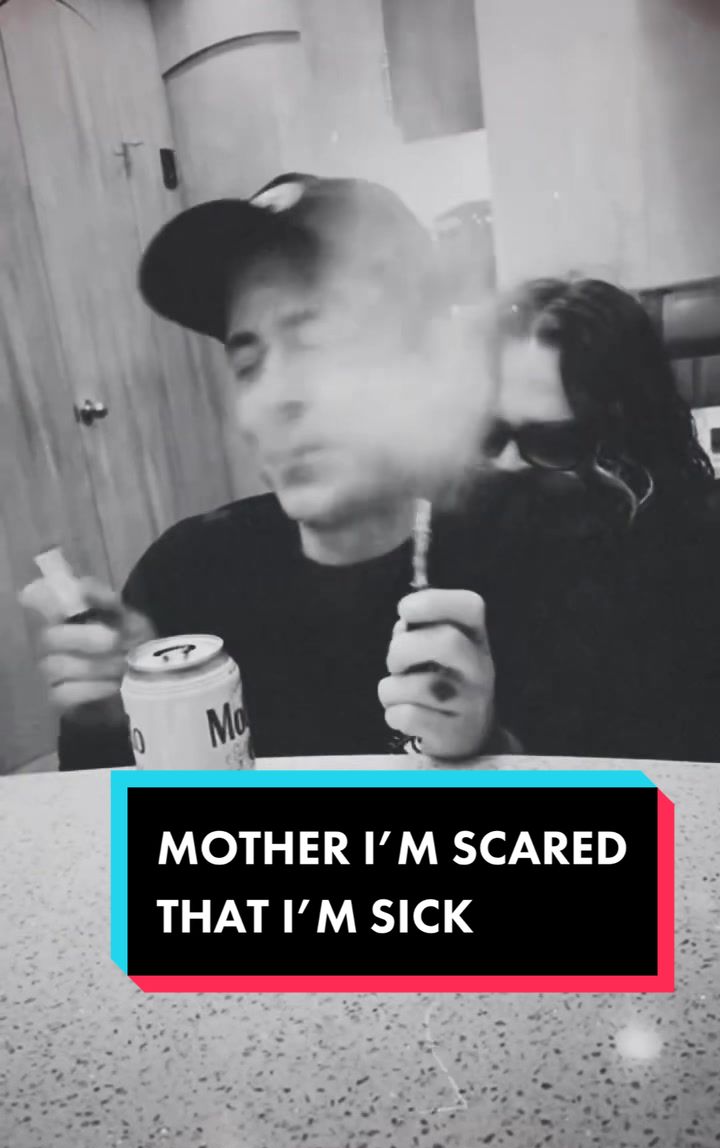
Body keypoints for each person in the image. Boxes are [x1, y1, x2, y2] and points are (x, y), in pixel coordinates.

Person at [22, 174, 505, 769]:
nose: (272, 399)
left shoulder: (537, 549)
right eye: (247, 365)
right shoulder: (185, 578)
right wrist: (121, 718)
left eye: (319, 344)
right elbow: (116, 821)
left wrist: (488, 749)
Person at [470, 275, 720, 762]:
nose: (507, 463)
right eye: (491, 435)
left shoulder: (696, 560)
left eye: (550, 442)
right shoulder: (473, 541)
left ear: (620, 437)